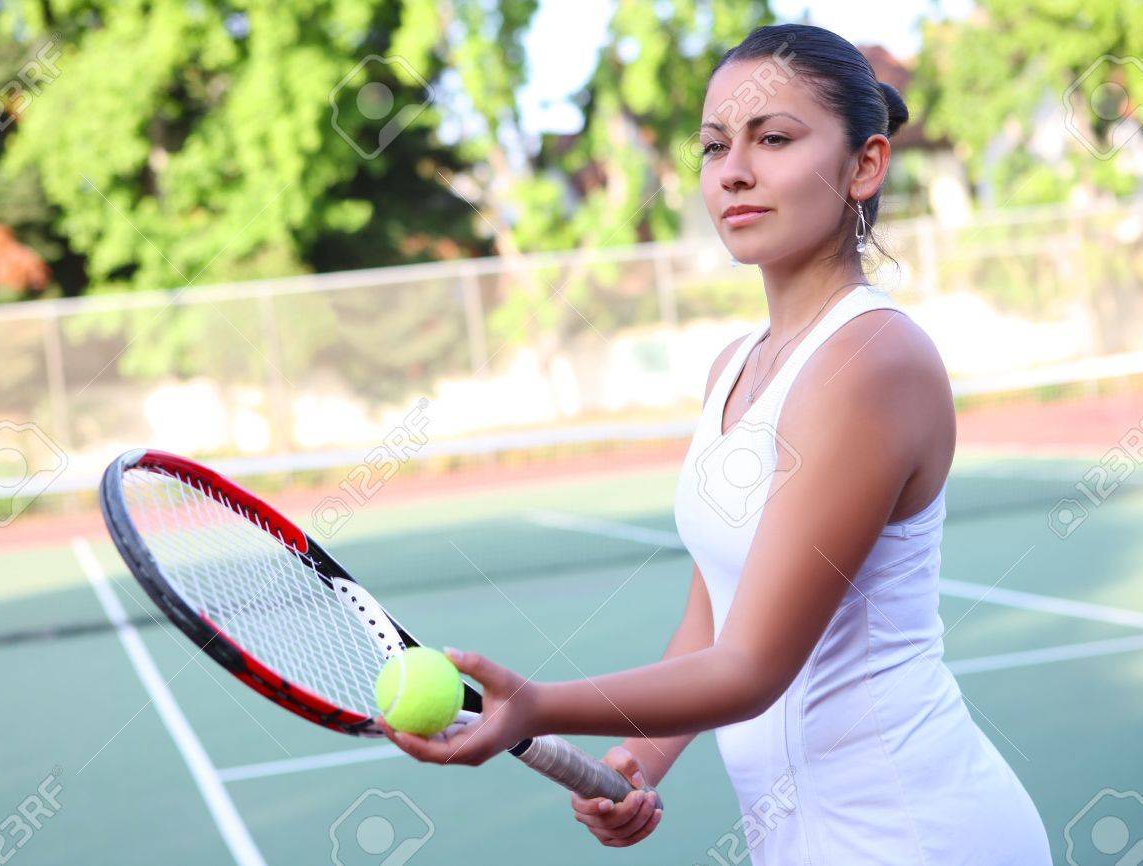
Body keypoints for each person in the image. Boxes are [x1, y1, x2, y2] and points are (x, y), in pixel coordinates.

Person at [379, 23, 1052, 865]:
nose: (732, 169)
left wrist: (538, 706)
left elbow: (751, 666)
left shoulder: (873, 360)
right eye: (713, 145)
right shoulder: (733, 366)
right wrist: (642, 755)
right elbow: (713, 619)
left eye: (773, 138)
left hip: (918, 834)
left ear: (865, 165)